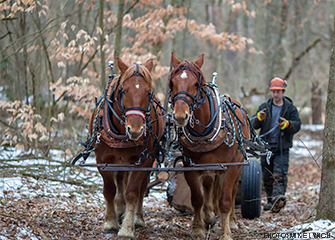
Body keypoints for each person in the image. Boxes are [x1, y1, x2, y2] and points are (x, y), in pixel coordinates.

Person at [252, 77, 301, 213]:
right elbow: (253, 125)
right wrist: (258, 118)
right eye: (273, 91)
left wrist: (287, 125)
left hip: (282, 148)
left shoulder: (290, 108)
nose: (275, 94)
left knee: (279, 174)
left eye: (278, 91)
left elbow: (297, 125)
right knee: (267, 175)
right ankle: (270, 201)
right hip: (266, 147)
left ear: (283, 92)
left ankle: (278, 198)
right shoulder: (264, 107)